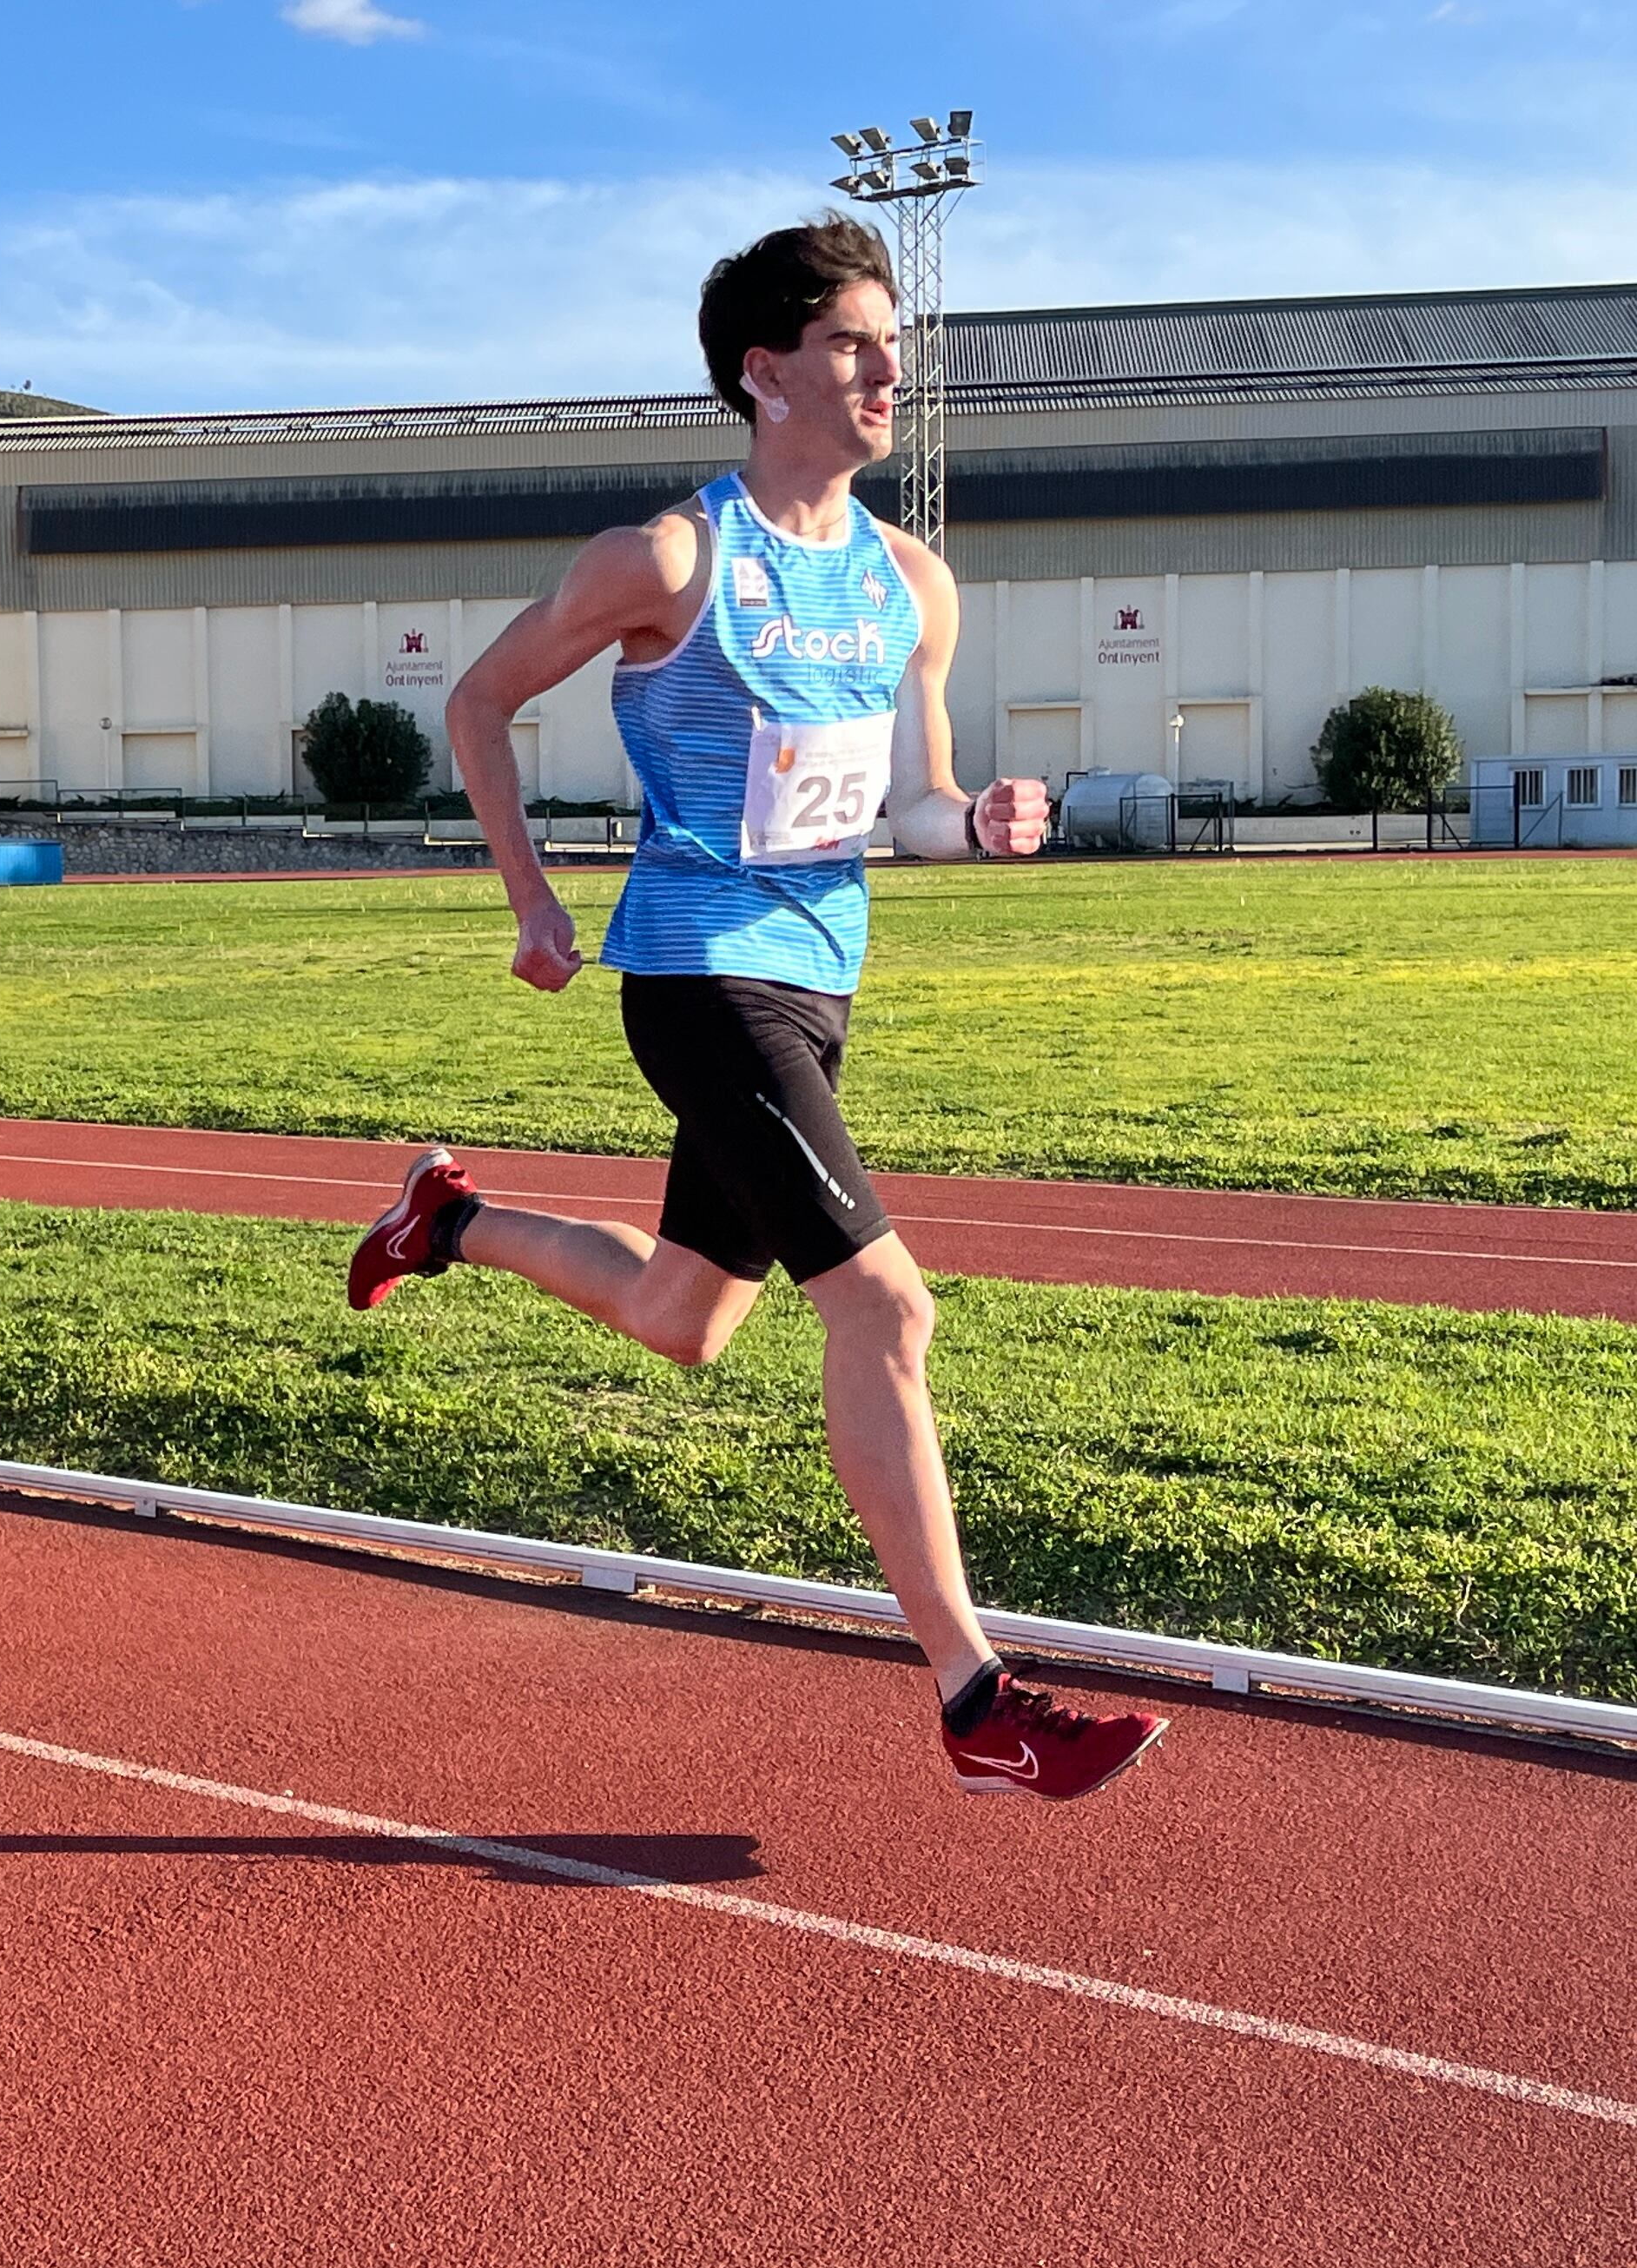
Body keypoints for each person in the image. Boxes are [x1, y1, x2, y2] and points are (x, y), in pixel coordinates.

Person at [356, 217, 1165, 1802]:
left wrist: (979, 822)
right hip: (701, 975)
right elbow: (477, 700)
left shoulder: (912, 585)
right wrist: (531, 898)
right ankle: (975, 1698)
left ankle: (442, 1222)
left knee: (684, 1317)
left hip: (822, 979)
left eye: (893, 348)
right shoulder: (668, 559)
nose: (889, 373)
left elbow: (911, 807)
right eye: (858, 343)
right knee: (886, 1308)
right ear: (765, 369)